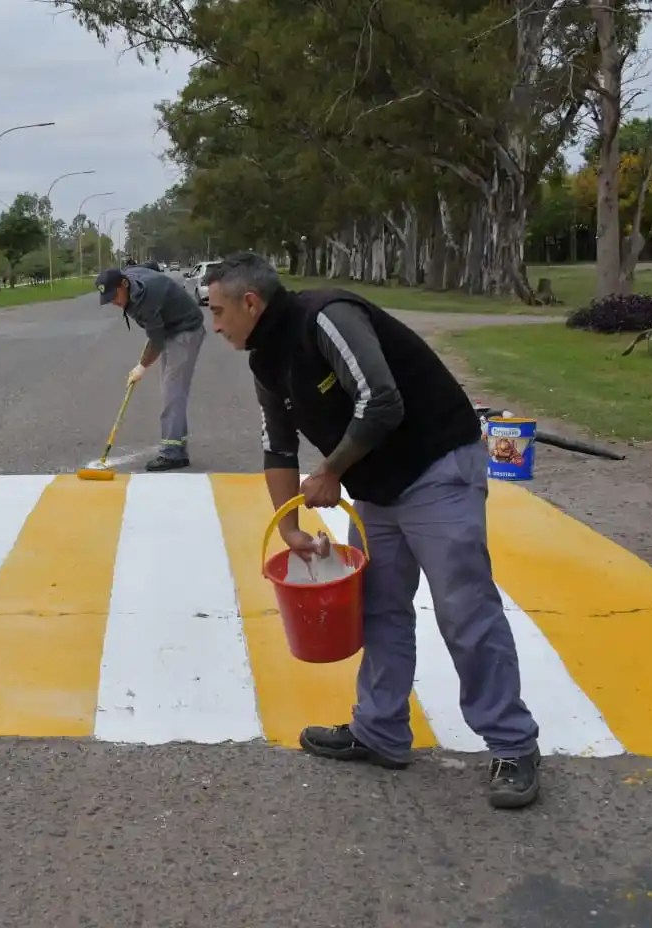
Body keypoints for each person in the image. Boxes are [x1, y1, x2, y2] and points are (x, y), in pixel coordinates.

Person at [201, 252, 541, 810]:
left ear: (251, 302)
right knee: (378, 604)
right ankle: (381, 731)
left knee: (464, 608)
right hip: (378, 488)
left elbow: (381, 400)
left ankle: (512, 744)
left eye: (218, 312)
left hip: (436, 468)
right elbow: (278, 447)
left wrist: (332, 470)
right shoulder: (265, 361)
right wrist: (288, 527)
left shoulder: (326, 317)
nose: (215, 325)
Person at [95, 264, 207, 471]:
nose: (114, 302)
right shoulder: (130, 282)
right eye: (108, 299)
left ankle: (173, 454)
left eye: (114, 296)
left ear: (125, 284)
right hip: (170, 328)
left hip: (186, 330)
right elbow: (147, 267)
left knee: (173, 392)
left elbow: (156, 340)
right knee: (170, 391)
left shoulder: (147, 299)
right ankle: (178, 448)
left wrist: (142, 367)